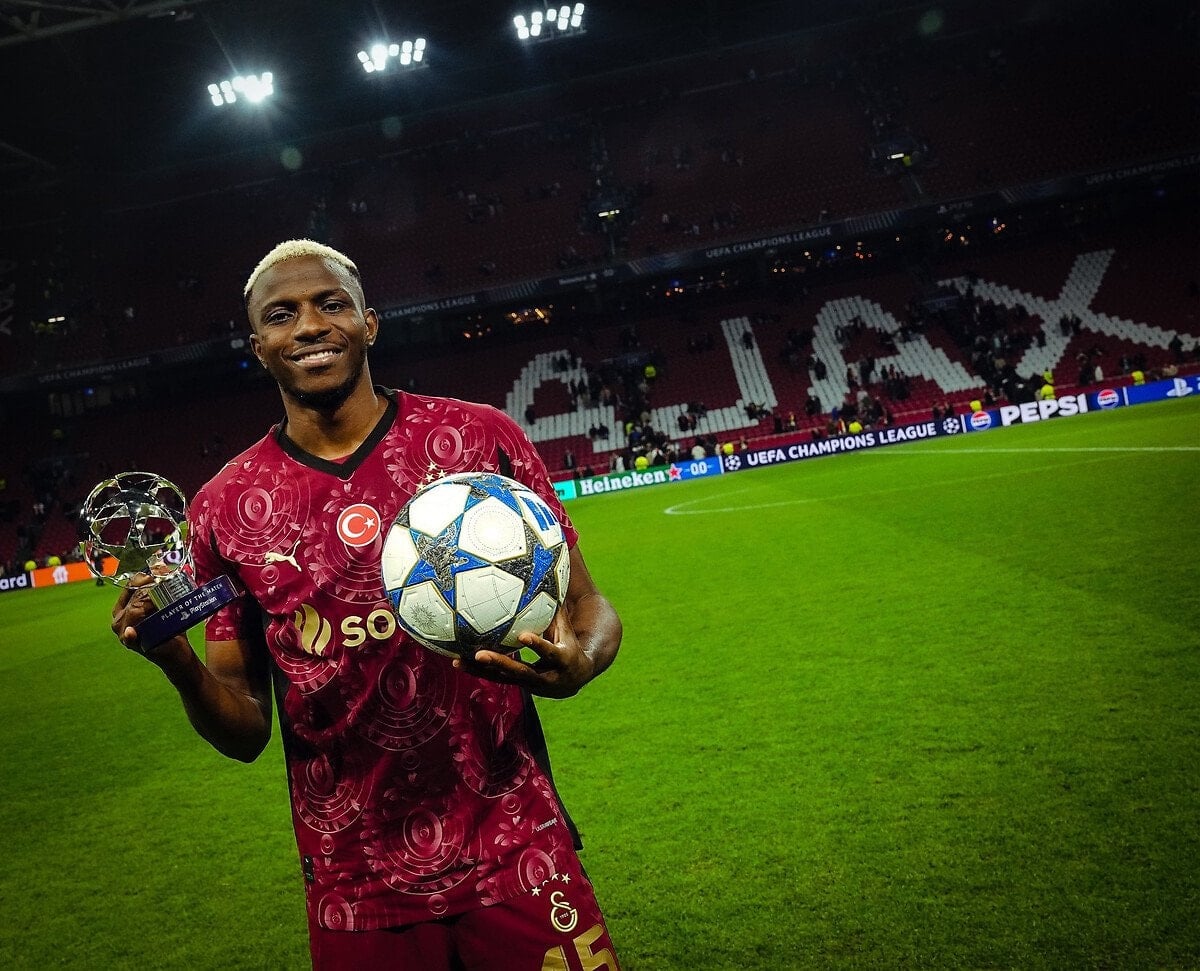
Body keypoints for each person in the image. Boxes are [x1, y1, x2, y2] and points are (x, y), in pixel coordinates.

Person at [109, 240, 624, 970]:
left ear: (369, 323)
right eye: (281, 315)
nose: (309, 326)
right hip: (355, 887)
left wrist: (583, 661)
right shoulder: (225, 508)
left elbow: (590, 606)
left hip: (517, 847)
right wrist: (177, 663)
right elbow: (245, 729)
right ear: (258, 348)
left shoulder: (480, 439)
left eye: (331, 304)